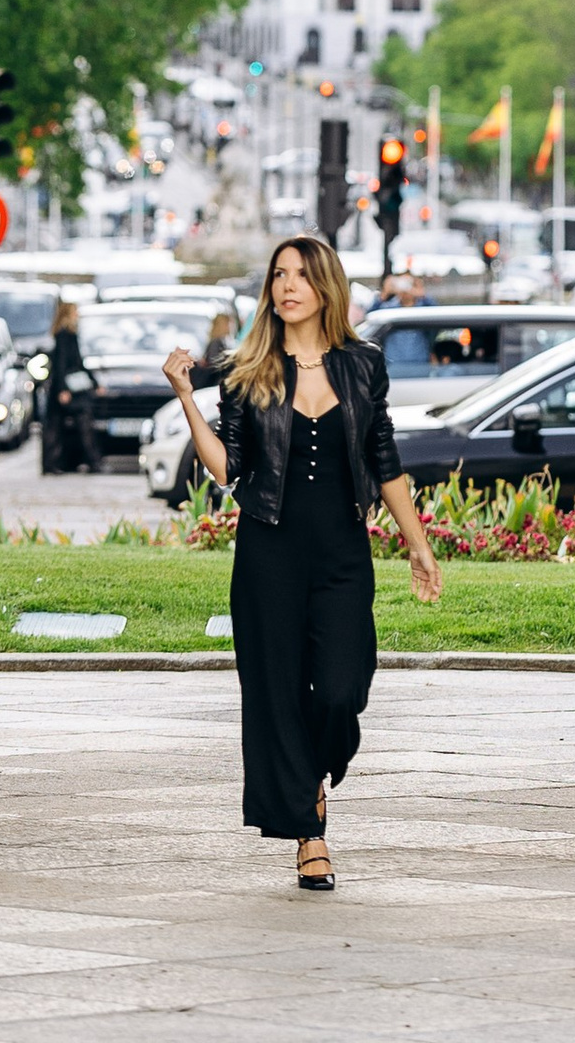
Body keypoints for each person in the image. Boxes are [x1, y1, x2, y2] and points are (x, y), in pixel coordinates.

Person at [164, 234, 441, 891]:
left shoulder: (364, 364)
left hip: (342, 552)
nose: (287, 286)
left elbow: (385, 461)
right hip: (269, 553)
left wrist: (417, 543)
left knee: (344, 686)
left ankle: (316, 774)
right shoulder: (245, 369)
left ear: (326, 287)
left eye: (301, 275)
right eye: (278, 275)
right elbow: (230, 469)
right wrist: (185, 396)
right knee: (278, 694)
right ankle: (310, 833)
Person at [40, 295, 92, 474]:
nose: (77, 314)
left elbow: (79, 362)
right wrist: (62, 389)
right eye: (75, 311)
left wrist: (93, 380)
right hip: (63, 387)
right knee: (54, 426)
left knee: (59, 426)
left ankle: (59, 463)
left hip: (65, 386)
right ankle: (51, 463)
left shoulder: (69, 334)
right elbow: (61, 363)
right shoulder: (64, 335)